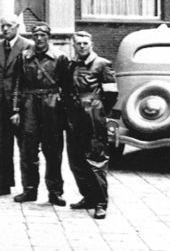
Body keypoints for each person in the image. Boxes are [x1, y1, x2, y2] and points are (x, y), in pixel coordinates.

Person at [11, 22, 70, 206]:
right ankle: (29, 190)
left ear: (49, 37)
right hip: (29, 105)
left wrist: (65, 114)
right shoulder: (24, 57)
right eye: (35, 35)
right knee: (28, 151)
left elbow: (67, 88)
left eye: (43, 35)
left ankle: (55, 192)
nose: (39, 38)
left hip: (52, 105)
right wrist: (16, 109)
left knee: (53, 151)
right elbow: (17, 85)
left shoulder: (60, 57)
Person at [65, 31, 115, 220]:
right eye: (78, 43)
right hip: (74, 119)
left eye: (85, 43)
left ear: (91, 44)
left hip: (93, 118)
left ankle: (101, 203)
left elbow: (111, 95)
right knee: (76, 161)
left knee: (96, 160)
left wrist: (98, 111)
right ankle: (88, 197)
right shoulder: (72, 64)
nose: (82, 46)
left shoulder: (102, 64)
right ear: (74, 45)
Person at [0, 14, 32, 197]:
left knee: (25, 147)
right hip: (1, 105)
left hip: (21, 105)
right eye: (2, 26)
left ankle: (28, 188)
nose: (5, 29)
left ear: (17, 26)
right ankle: (3, 184)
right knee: (2, 146)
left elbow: (29, 78)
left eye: (8, 25)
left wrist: (21, 106)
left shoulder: (27, 46)